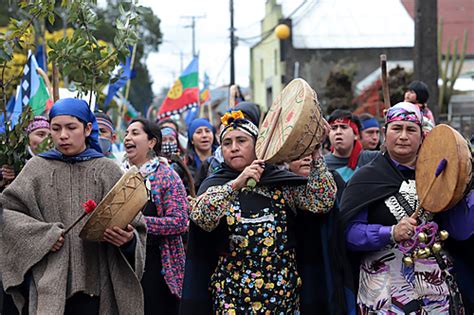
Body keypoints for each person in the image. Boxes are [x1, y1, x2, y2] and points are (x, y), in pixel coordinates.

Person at [180, 109, 337, 314]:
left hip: (281, 296)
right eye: (227, 143)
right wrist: (236, 184)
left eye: (241, 141)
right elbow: (202, 217)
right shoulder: (215, 184)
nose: (234, 148)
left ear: (258, 145)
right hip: (231, 297)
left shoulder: (281, 182)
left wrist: (316, 153)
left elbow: (321, 201)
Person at [0, 98, 146, 314]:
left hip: (98, 288)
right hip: (47, 285)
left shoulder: (108, 170)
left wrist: (128, 240)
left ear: (87, 128)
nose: (63, 135)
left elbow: (136, 224)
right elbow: (7, 213)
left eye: (71, 127)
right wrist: (43, 236)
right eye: (56, 128)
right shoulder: (36, 169)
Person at [338, 102, 473, 314]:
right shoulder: (366, 178)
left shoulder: (441, 177)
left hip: (437, 291)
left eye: (411, 129)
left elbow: (459, 232)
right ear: (385, 133)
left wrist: (466, 191)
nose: (403, 136)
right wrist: (390, 232)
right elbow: (348, 233)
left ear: (422, 136)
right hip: (384, 294)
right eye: (396, 128)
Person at [123, 118, 189, 314]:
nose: (128, 138)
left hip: (158, 265)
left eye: (135, 133)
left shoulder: (166, 176)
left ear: (152, 142)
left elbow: (179, 222)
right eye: (126, 133)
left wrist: (137, 224)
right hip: (125, 261)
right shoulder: (119, 174)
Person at [324, 110, 378, 183]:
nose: (338, 132)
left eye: (344, 127)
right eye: (333, 128)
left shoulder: (373, 159)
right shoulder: (322, 164)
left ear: (356, 135)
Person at [0, 116, 51, 190]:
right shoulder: (13, 160)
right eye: (41, 134)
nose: (47, 140)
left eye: (50, 137)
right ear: (26, 137)